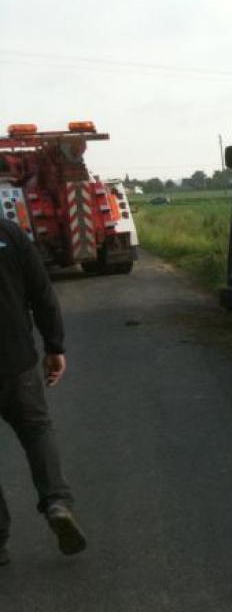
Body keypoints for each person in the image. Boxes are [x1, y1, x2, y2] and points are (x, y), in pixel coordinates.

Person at [0, 218, 86, 565]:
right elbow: (41, 291)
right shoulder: (8, 233)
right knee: (36, 430)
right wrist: (55, 346)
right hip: (15, 361)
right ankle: (56, 503)